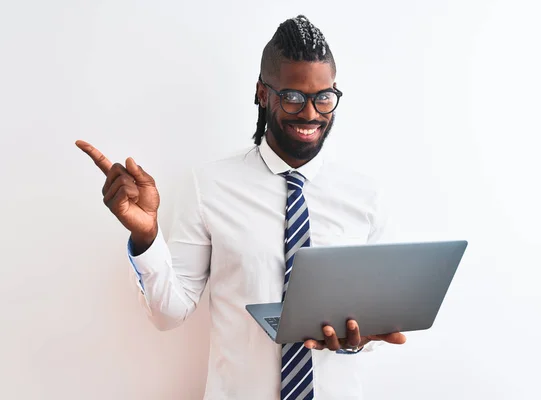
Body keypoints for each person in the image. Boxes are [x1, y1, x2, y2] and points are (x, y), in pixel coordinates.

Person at [76, 15, 406, 400]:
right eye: (294, 97)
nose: (312, 114)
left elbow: (382, 320)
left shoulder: (366, 195)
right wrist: (146, 235)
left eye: (324, 97)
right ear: (263, 93)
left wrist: (359, 338)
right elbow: (168, 314)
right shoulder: (209, 186)